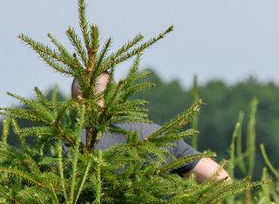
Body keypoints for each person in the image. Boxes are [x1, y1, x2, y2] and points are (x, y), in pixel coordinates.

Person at [71, 72, 230, 184]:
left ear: (78, 101)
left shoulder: (70, 144)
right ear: (115, 95)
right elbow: (221, 179)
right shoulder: (156, 135)